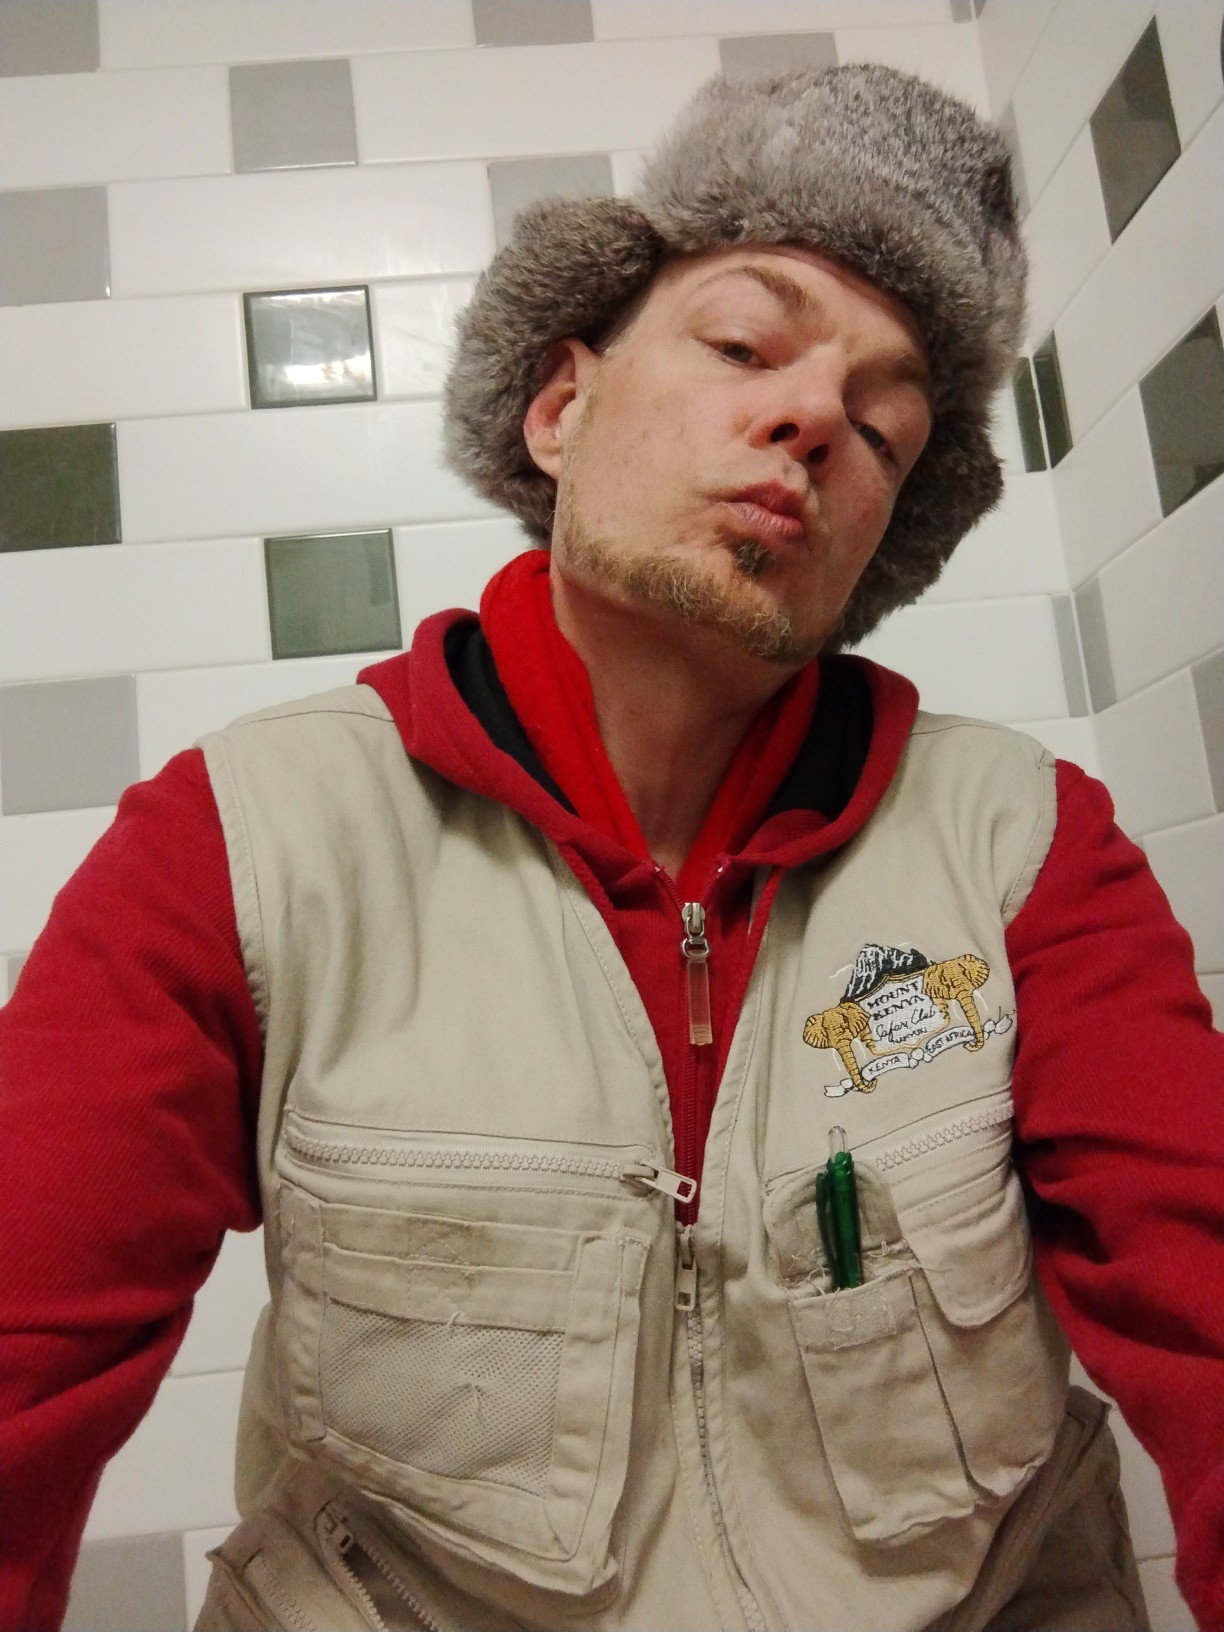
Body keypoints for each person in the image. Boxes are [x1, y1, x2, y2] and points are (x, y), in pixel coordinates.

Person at [1, 64, 1221, 1632]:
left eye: (883, 426)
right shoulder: (244, 845)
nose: (813, 421)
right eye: (744, 345)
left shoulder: (1025, 844)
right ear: (562, 405)